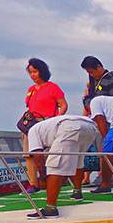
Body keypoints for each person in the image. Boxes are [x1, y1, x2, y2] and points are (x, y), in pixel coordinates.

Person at [26, 115, 101, 218]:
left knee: (55, 165)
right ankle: (77, 192)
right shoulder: (47, 126)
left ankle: (50, 208)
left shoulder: (32, 131)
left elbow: (37, 155)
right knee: (78, 159)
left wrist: (43, 177)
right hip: (90, 127)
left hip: (70, 127)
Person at [22, 58, 68, 194]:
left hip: (46, 123)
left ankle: (50, 180)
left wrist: (55, 119)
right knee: (29, 154)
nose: (33, 75)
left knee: (47, 154)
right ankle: (33, 183)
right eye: (30, 72)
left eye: (35, 72)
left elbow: (63, 105)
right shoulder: (31, 89)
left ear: (42, 71)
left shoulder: (52, 87)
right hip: (30, 123)